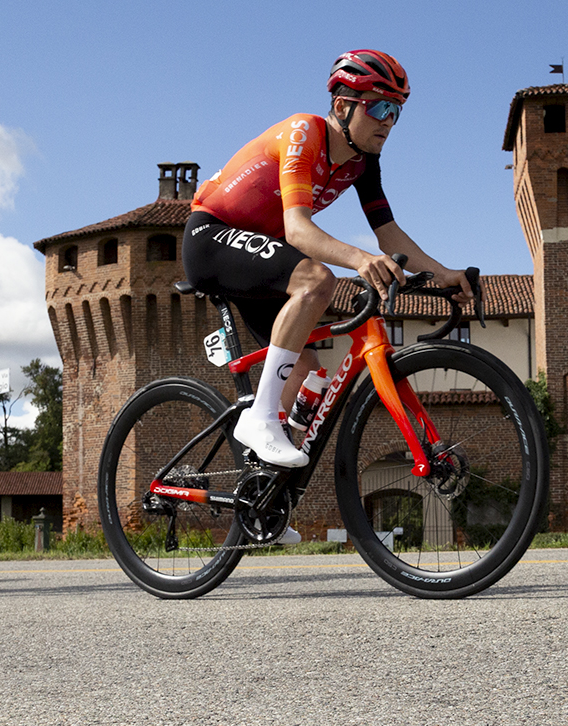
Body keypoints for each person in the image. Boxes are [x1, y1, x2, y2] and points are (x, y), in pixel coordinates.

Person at [185, 49, 472, 474]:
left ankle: (263, 486)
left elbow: (388, 233)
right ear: (341, 106)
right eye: (379, 107)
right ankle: (259, 419)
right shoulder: (304, 132)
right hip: (211, 237)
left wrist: (444, 273)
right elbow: (298, 230)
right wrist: (360, 259)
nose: (389, 122)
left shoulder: (363, 161)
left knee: (305, 371)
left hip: (261, 250)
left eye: (396, 111)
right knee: (316, 279)